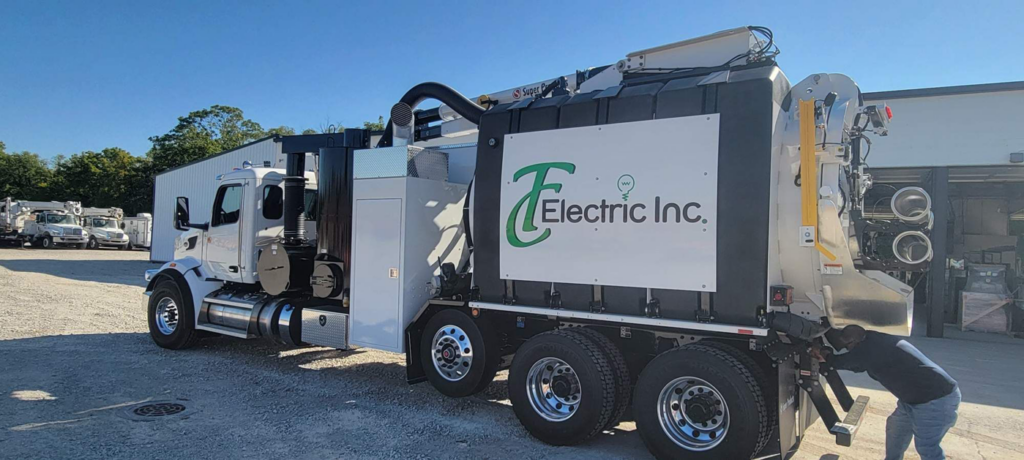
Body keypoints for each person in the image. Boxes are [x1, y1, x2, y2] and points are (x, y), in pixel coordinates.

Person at [818, 325, 960, 460]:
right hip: (912, 401)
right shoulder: (874, 339)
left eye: (848, 346)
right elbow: (858, 363)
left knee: (927, 448)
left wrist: (824, 354)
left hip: (935, 401)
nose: (849, 350)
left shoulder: (870, 349)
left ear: (855, 341)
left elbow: (843, 362)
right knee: (896, 431)